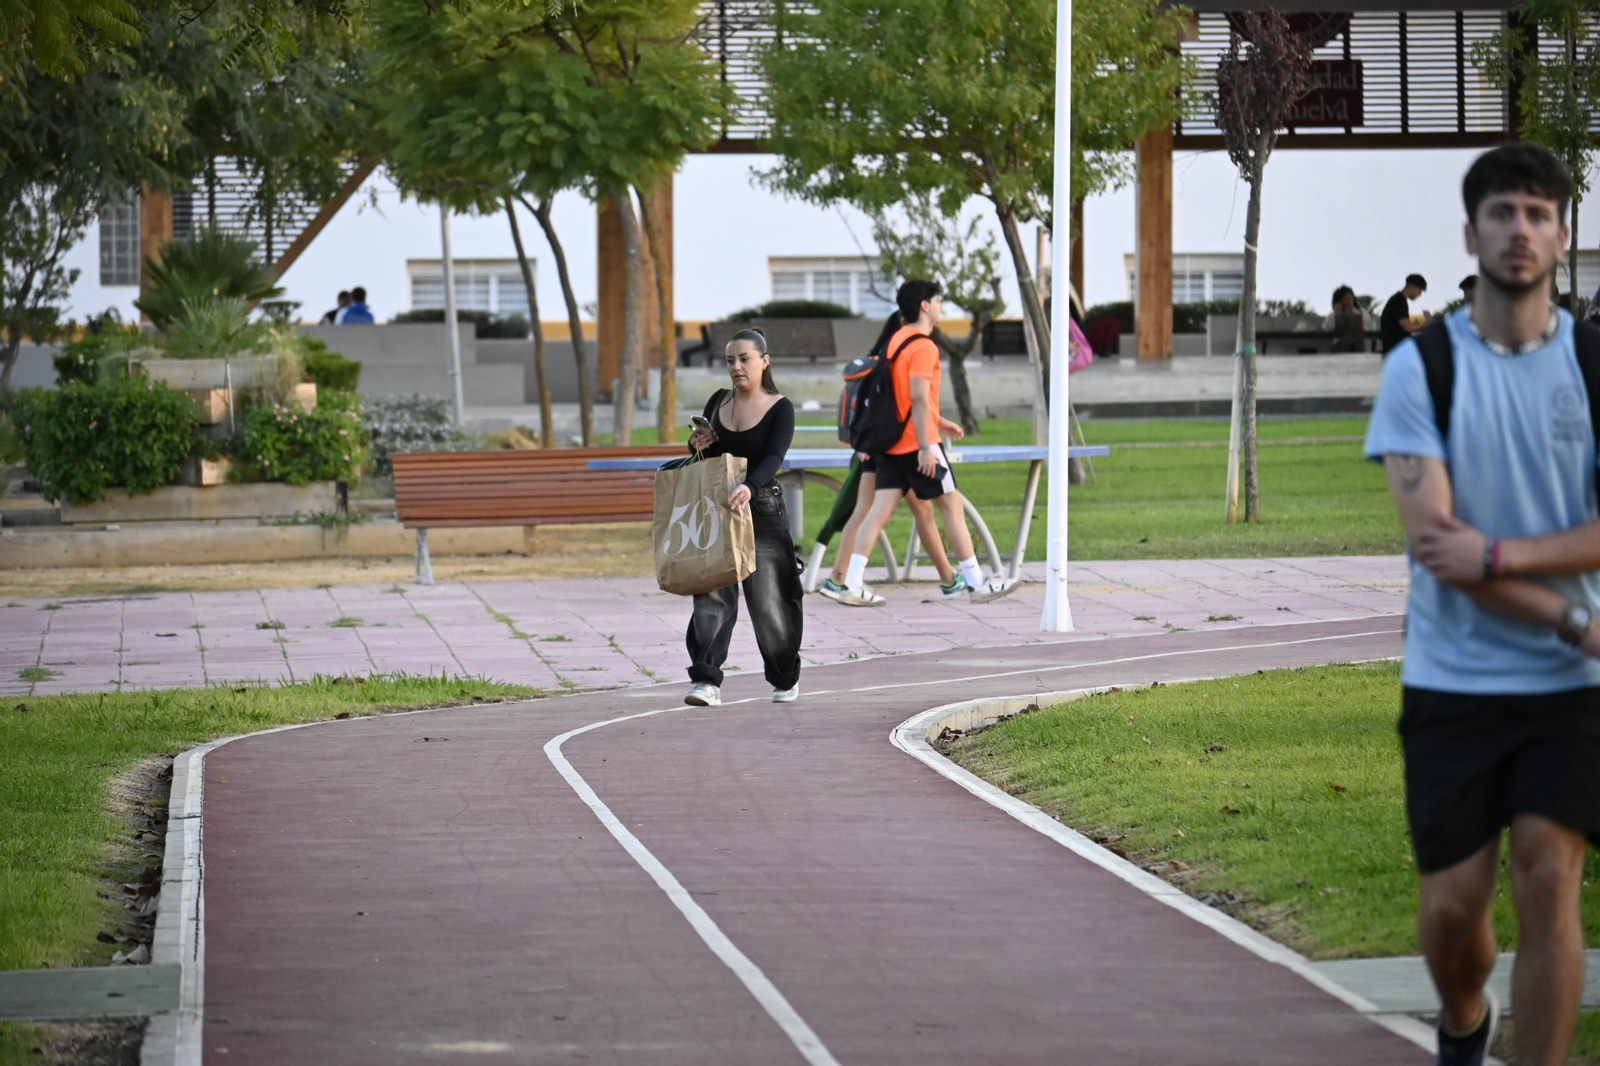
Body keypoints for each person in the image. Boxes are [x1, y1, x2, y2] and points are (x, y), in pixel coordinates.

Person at [1365, 142, 1600, 1066]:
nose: (1521, 229)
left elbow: (1479, 550)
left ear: (1562, 233)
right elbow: (1441, 548)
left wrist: (1502, 552)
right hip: (1456, 677)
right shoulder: (1421, 369)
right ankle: (1465, 1020)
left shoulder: (1591, 360)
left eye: (1538, 214)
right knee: (1452, 913)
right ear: (1472, 232)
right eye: (1503, 212)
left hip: (1567, 688)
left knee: (1551, 882)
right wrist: (1571, 613)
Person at [840, 279, 1014, 605]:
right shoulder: (924, 346)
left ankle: (852, 584)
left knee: (878, 512)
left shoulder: (896, 340)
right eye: (938, 300)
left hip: (891, 445)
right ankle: (977, 583)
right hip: (918, 445)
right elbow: (918, 399)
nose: (941, 307)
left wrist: (938, 419)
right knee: (952, 506)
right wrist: (924, 445)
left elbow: (904, 399)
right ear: (924, 305)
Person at [682, 328, 803, 707]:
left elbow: (773, 457)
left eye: (744, 359)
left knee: (769, 600)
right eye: (730, 360)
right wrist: (697, 445)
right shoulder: (718, 401)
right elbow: (709, 456)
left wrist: (751, 486)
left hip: (761, 507)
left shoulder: (780, 407)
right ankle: (706, 679)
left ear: (764, 361)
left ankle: (784, 675)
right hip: (718, 507)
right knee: (712, 595)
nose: (736, 367)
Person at [817, 311, 958, 607]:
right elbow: (908, 402)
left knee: (873, 511)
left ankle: (839, 577)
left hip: (876, 444)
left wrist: (938, 421)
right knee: (911, 512)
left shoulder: (881, 357)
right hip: (893, 446)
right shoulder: (902, 357)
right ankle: (949, 580)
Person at [1380, 272, 1428, 354]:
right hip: (1396, 349)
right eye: (1420, 290)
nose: (1419, 294)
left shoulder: (1398, 300)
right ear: (1413, 286)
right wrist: (1427, 326)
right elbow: (1407, 326)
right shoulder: (1399, 301)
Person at [1323, 285, 1368, 353]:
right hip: (1339, 344)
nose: (1349, 301)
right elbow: (1326, 328)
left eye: (1350, 298)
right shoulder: (1333, 314)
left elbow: (1366, 327)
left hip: (1357, 344)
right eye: (1346, 299)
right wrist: (1337, 315)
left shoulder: (1360, 312)